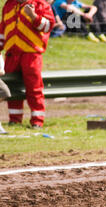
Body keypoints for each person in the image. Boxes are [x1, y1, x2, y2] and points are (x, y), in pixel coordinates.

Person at [0, 0, 55, 129]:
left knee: (34, 88)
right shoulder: (9, 5)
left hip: (31, 53)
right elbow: (3, 29)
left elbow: (48, 27)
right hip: (11, 54)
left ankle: (37, 120)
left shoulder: (40, 4)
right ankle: (14, 119)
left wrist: (33, 16)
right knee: (12, 88)